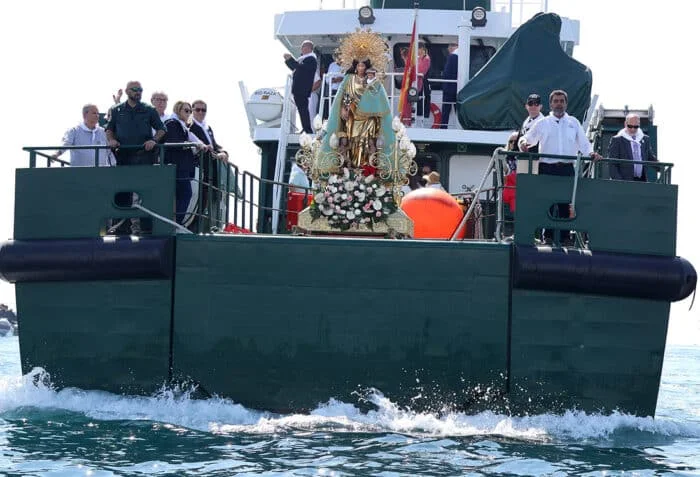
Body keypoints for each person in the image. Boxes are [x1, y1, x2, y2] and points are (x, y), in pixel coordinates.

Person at [518, 89, 601, 243]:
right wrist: (523, 143)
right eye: (556, 101)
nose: (559, 104)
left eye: (561, 101)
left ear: (566, 103)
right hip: (547, 167)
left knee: (565, 202)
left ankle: (564, 237)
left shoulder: (573, 123)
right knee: (548, 202)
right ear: (550, 104)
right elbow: (528, 138)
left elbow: (584, 143)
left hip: (566, 168)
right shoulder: (542, 123)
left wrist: (591, 153)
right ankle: (548, 236)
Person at [322, 59, 395, 169]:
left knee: (368, 137)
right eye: (359, 66)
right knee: (352, 138)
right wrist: (343, 108)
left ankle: (367, 164)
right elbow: (345, 94)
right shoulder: (349, 78)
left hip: (368, 115)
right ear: (355, 67)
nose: (361, 68)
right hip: (352, 113)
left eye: (363, 66)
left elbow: (377, 96)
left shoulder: (372, 79)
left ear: (367, 67)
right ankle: (352, 164)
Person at [164, 101, 205, 225]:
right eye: (186, 111)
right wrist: (193, 146)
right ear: (178, 110)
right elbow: (175, 142)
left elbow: (192, 140)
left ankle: (176, 222)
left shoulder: (182, 126)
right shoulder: (172, 124)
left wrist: (198, 145)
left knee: (183, 194)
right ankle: (176, 222)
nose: (189, 113)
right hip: (176, 166)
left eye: (189, 111)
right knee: (185, 193)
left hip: (182, 166)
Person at [106, 80, 166, 166]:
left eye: (140, 90)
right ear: (126, 91)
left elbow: (162, 129)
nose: (138, 92)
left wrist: (153, 140)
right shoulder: (116, 110)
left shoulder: (149, 109)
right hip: (122, 156)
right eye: (135, 89)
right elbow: (109, 129)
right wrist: (111, 140)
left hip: (144, 156)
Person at [190, 99, 229, 228]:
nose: (201, 112)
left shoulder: (207, 127)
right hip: (198, 168)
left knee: (206, 198)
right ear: (192, 110)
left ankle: (202, 226)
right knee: (197, 199)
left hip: (210, 169)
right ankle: (193, 226)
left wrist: (223, 152)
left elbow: (214, 145)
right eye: (197, 109)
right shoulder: (191, 126)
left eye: (203, 110)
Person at [608, 113, 658, 182]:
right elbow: (612, 164)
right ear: (625, 124)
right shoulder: (617, 140)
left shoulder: (645, 139)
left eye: (636, 126)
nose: (633, 129)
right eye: (630, 126)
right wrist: (619, 182)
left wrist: (661, 168)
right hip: (624, 182)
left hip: (641, 181)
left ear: (639, 125)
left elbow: (650, 157)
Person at [284, 40, 317, 134]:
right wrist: (288, 60)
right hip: (299, 89)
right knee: (302, 110)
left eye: (304, 47)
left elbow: (300, 68)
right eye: (302, 47)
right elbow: (294, 67)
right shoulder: (303, 59)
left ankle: (307, 130)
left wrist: (290, 59)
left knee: (303, 110)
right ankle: (306, 128)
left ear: (309, 48)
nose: (302, 49)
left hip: (302, 89)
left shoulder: (311, 59)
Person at [440, 43, 458, 129]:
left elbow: (447, 73)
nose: (449, 48)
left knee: (446, 110)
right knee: (457, 110)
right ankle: (460, 127)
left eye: (451, 46)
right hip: (456, 88)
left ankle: (443, 128)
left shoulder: (453, 57)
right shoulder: (460, 57)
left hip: (450, 88)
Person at [322, 53, 343, 120]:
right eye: (337, 57)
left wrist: (342, 79)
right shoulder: (332, 65)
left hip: (343, 91)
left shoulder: (348, 65)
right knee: (333, 111)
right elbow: (327, 79)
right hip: (333, 91)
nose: (339, 58)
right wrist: (334, 80)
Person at [416, 43, 431, 123]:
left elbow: (422, 71)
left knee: (423, 99)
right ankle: (418, 115)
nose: (417, 51)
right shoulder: (418, 58)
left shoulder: (426, 58)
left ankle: (423, 116)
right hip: (418, 82)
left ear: (422, 49)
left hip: (423, 82)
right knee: (418, 99)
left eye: (418, 49)